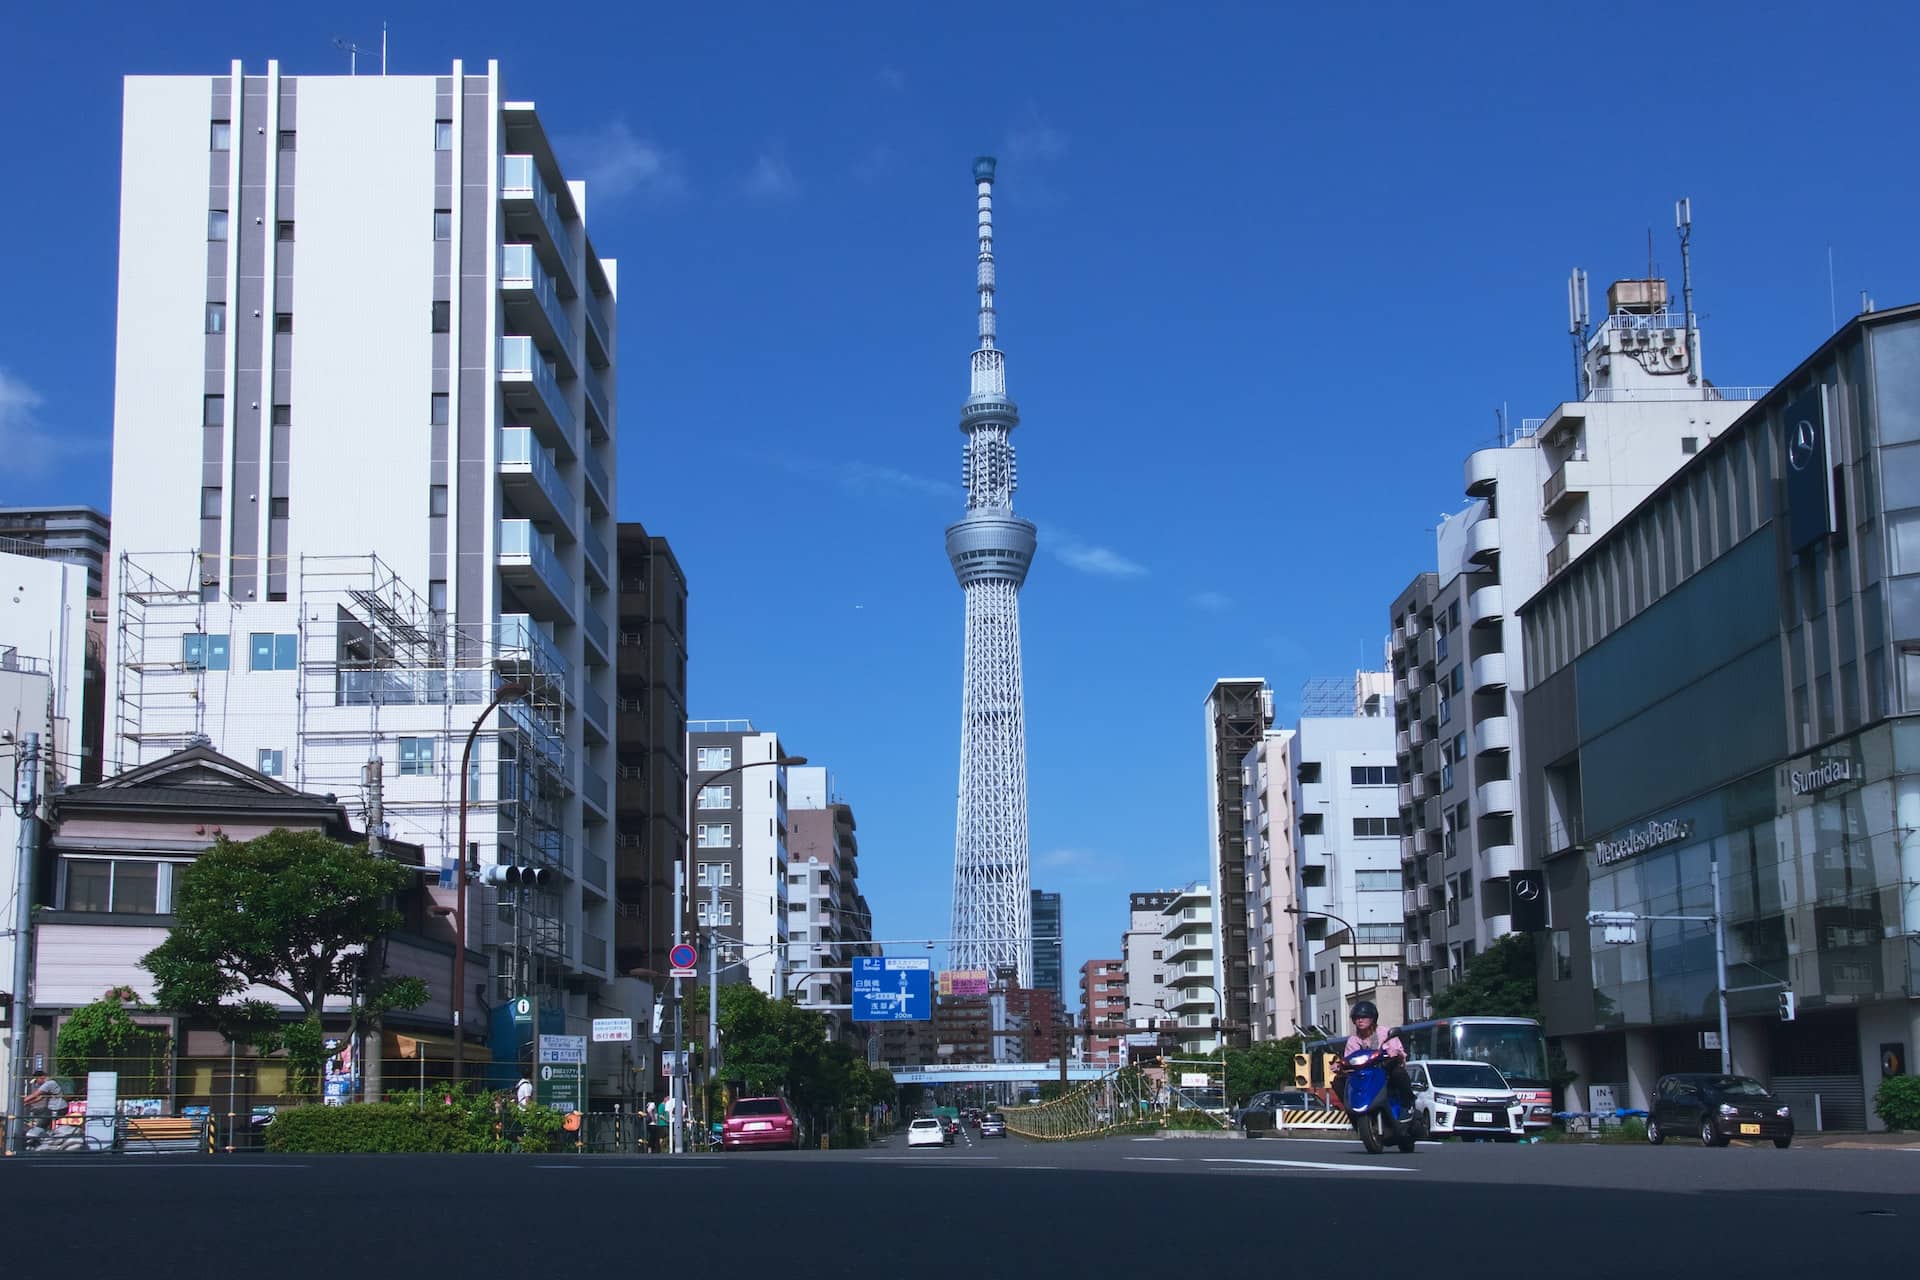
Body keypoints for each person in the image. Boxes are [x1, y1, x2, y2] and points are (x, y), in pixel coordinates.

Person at [1339, 1001, 1414, 1122]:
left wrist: (1394, 1053)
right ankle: (1351, 1112)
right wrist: (1339, 1065)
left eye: (1364, 1017)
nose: (1360, 1020)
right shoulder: (1352, 1040)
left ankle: (1407, 1104)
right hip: (1365, 1076)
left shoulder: (1385, 1032)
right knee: (1340, 1081)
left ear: (1373, 1018)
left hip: (1386, 1070)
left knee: (1398, 1073)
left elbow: (1400, 1052)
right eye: (1357, 1018)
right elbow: (1348, 1059)